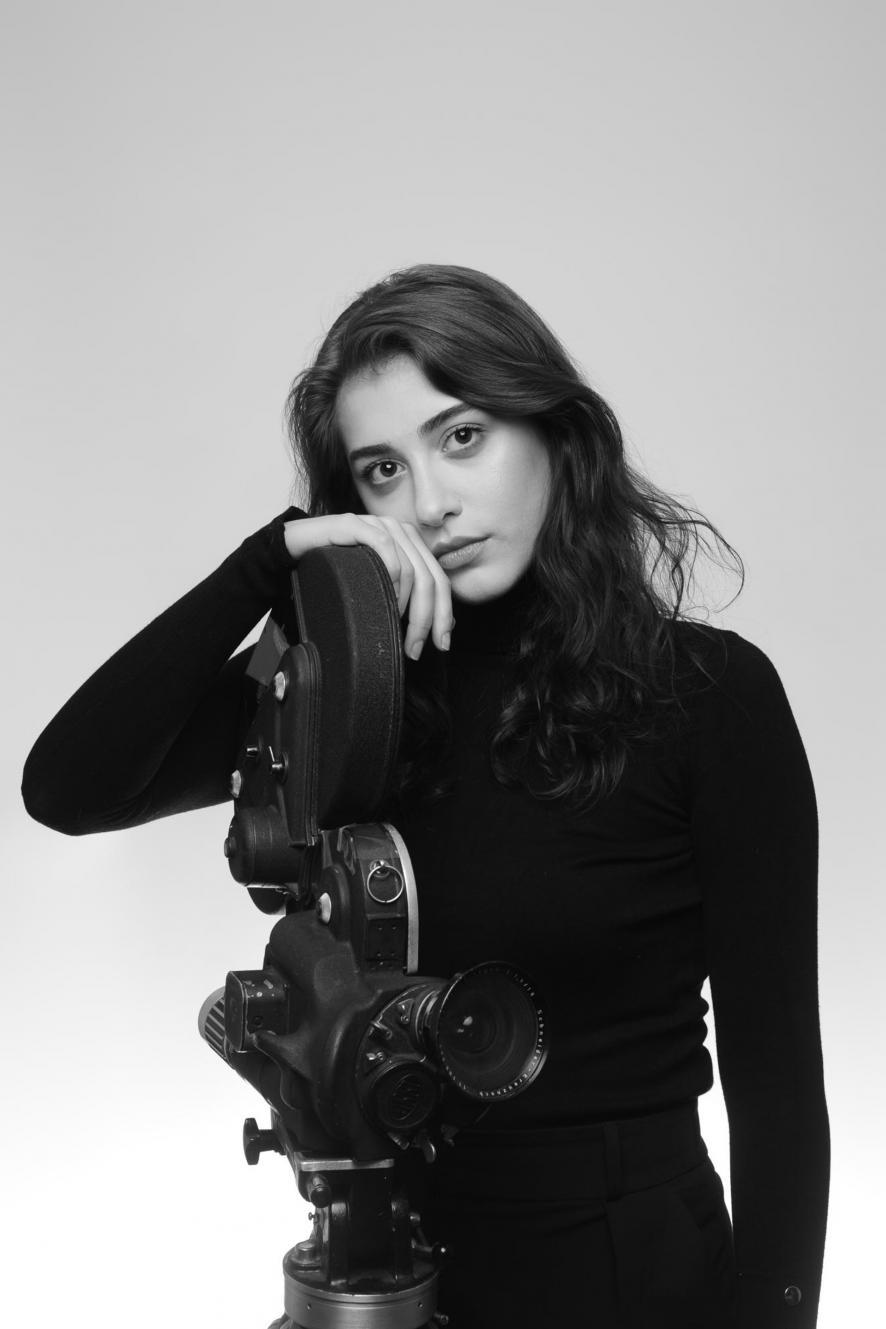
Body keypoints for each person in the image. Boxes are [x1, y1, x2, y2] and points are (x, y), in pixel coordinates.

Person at [21, 263, 829, 1328]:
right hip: (383, 1269)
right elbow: (68, 787)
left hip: (628, 1272)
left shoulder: (708, 696)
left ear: (554, 434)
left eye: (463, 437)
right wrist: (267, 562)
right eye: (382, 470)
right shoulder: (339, 697)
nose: (431, 503)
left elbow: (780, 1089)